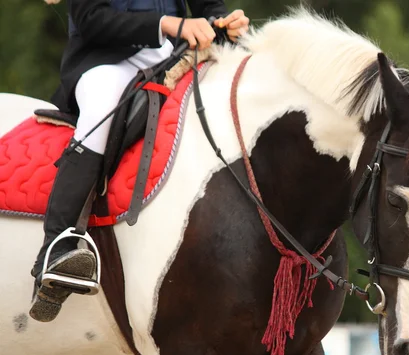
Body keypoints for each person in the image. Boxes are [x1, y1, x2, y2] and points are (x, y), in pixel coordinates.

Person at [30, 0, 250, 323]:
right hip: (105, 61)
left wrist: (222, 23)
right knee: (101, 110)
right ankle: (56, 248)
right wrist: (169, 25)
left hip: (174, 58)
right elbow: (91, 19)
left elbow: (209, 5)